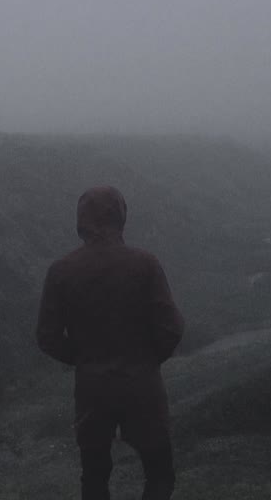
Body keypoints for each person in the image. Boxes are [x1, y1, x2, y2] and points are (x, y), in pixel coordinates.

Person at [36, 185, 185, 500]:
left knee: (94, 477)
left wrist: (85, 359)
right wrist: (146, 360)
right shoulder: (145, 264)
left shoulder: (61, 271)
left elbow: (47, 337)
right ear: (121, 216)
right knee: (159, 474)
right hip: (143, 384)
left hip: (92, 388)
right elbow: (171, 328)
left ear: (82, 221)